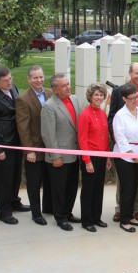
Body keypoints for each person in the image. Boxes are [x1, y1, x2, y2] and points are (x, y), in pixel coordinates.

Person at [0, 65, 30, 225]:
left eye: (10, 78)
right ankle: (3, 210)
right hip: (3, 144)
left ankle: (14, 201)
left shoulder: (12, 88)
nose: (9, 82)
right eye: (5, 81)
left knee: (16, 176)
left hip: (16, 141)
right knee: (4, 180)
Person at [108, 62, 138, 223]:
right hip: (124, 152)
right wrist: (128, 151)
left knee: (137, 184)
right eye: (137, 73)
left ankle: (136, 211)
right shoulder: (119, 105)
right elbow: (117, 130)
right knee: (125, 185)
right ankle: (122, 213)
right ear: (130, 73)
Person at [41, 74, 81, 231]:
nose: (68, 87)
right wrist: (55, 156)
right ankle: (60, 217)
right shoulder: (49, 106)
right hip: (59, 157)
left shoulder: (75, 100)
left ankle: (68, 212)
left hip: (74, 152)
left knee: (72, 186)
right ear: (55, 89)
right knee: (59, 188)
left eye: (68, 84)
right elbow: (48, 134)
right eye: (64, 85)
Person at [15, 65, 53, 226]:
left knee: (49, 180)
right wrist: (29, 150)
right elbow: (23, 128)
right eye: (35, 77)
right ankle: (36, 213)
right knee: (34, 182)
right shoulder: (23, 99)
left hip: (49, 147)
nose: (39, 80)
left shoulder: (50, 93)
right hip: (34, 149)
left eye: (41, 77)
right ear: (29, 79)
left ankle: (49, 208)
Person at [113, 85, 138, 233]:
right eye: (132, 98)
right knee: (127, 188)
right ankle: (124, 220)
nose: (136, 100)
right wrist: (132, 154)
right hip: (125, 155)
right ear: (124, 99)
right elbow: (120, 138)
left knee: (135, 186)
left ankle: (130, 215)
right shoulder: (120, 115)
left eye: (137, 97)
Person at [78, 83, 112, 232]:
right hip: (90, 158)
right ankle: (87, 220)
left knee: (99, 189)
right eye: (96, 95)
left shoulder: (103, 113)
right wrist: (87, 161)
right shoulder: (85, 115)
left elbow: (105, 137)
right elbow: (82, 140)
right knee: (88, 190)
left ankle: (96, 218)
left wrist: (108, 156)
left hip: (102, 156)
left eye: (101, 95)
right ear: (90, 97)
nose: (99, 97)